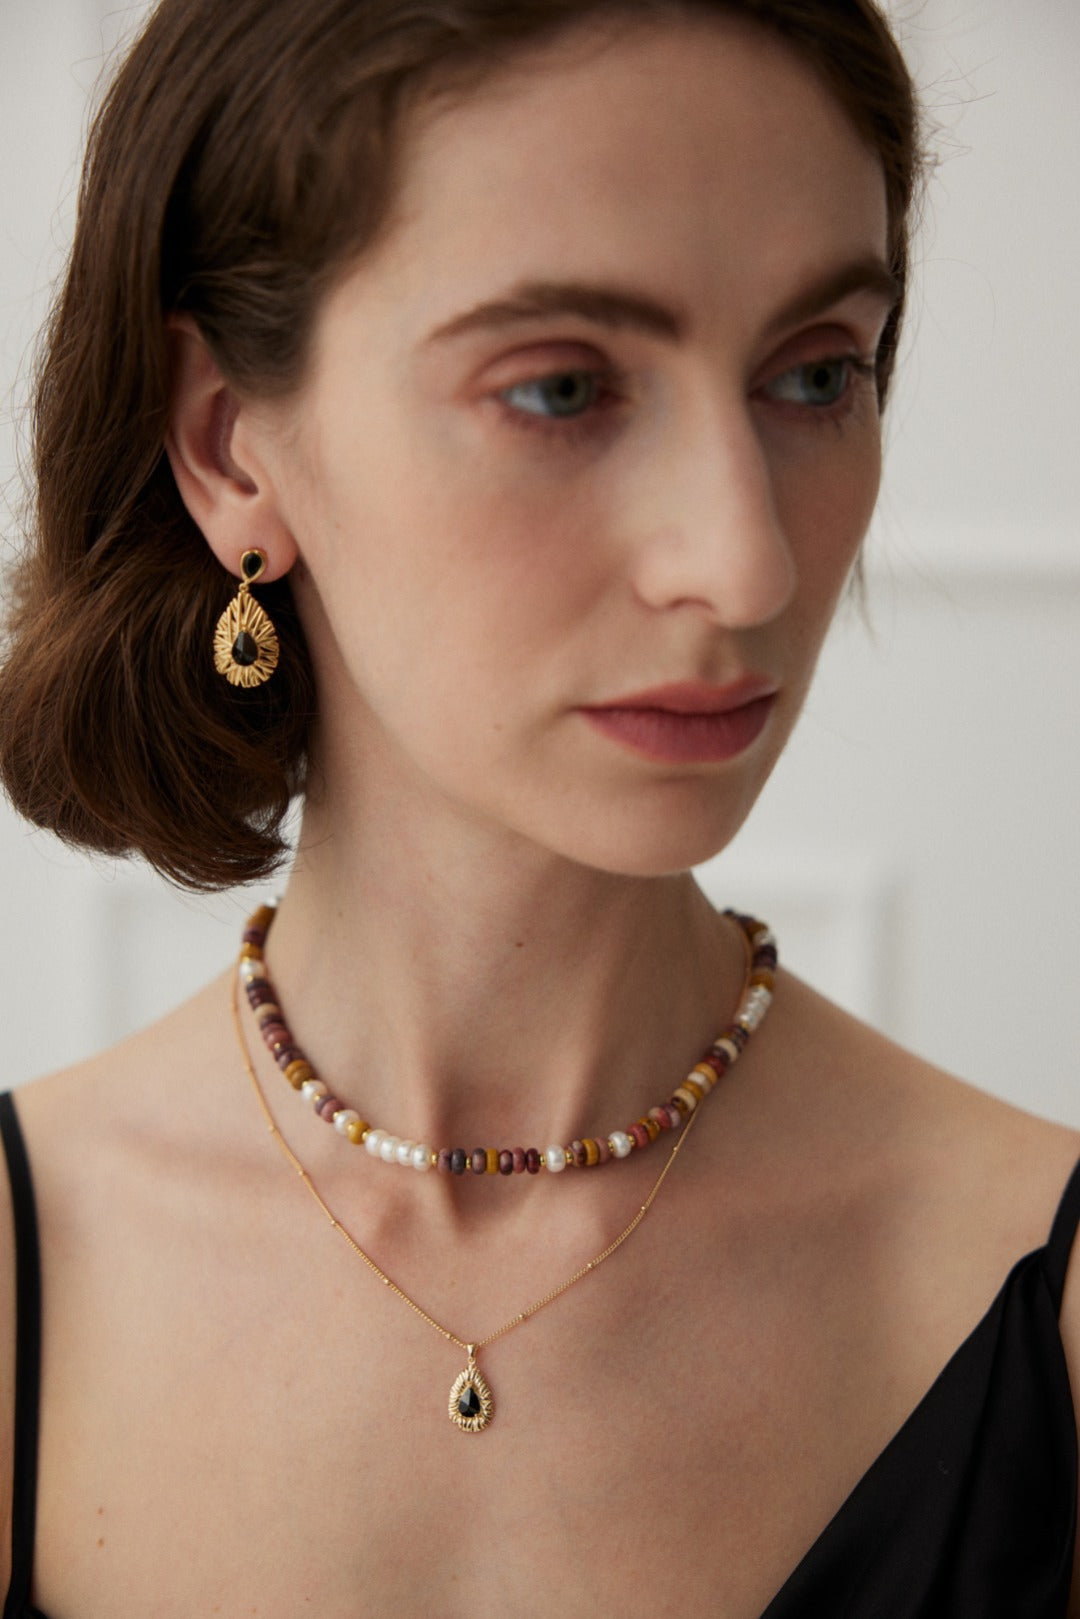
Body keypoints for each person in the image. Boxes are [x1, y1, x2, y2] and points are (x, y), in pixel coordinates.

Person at [0, 0, 1077, 1612]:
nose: (747, 562)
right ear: (229, 447)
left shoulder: (1044, 1309)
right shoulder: (25, 1293)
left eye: (816, 372)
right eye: (563, 390)